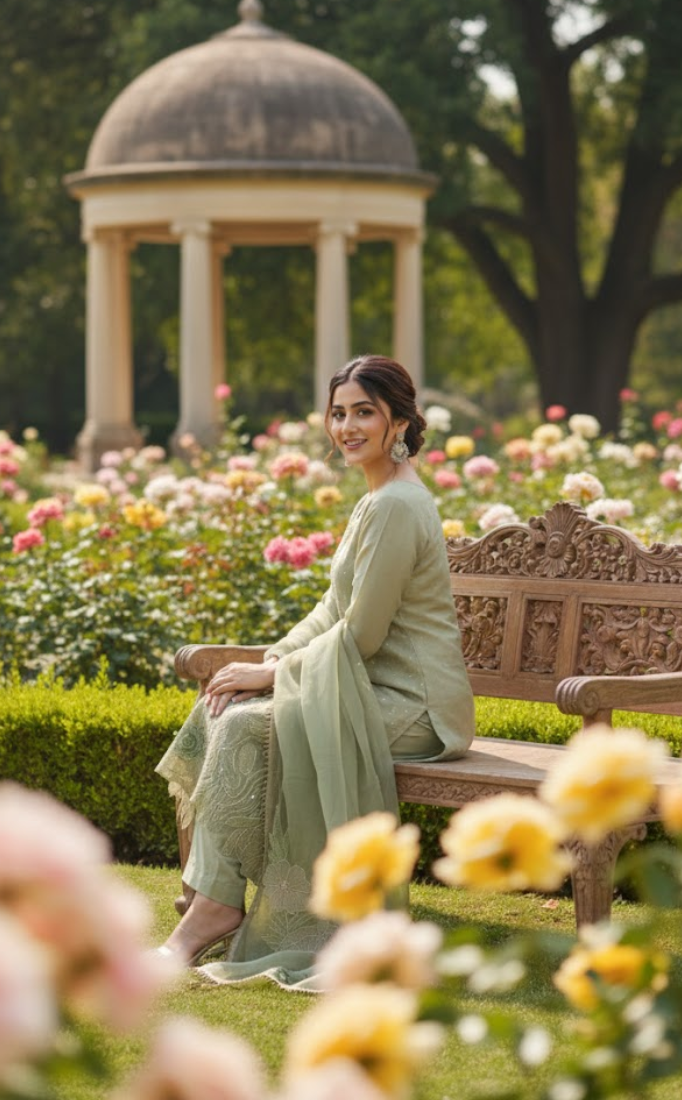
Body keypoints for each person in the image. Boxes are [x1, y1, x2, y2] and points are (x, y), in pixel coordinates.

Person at [155, 354, 475, 989]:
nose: (347, 426)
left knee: (249, 727)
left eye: (365, 412)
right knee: (225, 706)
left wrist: (274, 678)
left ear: (402, 422)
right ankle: (207, 893)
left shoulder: (396, 508)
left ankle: (211, 911)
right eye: (339, 413)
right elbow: (332, 609)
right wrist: (269, 661)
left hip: (415, 704)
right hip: (365, 688)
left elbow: (361, 633)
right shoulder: (377, 499)